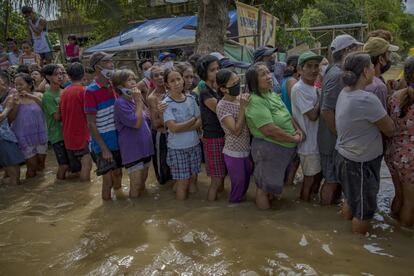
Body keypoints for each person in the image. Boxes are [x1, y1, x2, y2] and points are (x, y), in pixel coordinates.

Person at [335, 52, 395, 234]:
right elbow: (390, 129)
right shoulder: (366, 99)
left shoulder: (345, 92)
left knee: (351, 199)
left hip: (346, 156)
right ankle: (357, 247)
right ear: (365, 72)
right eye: (370, 66)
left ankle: (345, 238)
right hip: (360, 163)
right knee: (363, 211)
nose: (373, 69)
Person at [245, 62, 304, 209]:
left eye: (268, 72)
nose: (269, 76)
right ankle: (264, 221)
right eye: (263, 74)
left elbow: (286, 114)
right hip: (269, 148)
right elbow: (269, 130)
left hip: (282, 147)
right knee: (264, 189)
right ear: (254, 81)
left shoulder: (271, 94)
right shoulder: (255, 101)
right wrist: (293, 138)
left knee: (270, 187)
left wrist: (298, 129)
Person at [317, 34, 362, 205]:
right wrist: (339, 136)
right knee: (331, 179)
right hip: (331, 140)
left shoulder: (334, 71)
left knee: (335, 179)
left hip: (332, 138)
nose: (358, 52)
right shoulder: (337, 74)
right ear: (347, 51)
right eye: (355, 49)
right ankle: (323, 216)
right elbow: (327, 110)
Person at [85, 51, 123, 200]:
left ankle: (119, 206)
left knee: (119, 174)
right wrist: (104, 148)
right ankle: (107, 212)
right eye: (107, 62)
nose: (111, 64)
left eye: (111, 61)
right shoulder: (90, 91)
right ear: (97, 67)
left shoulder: (114, 86)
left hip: (118, 140)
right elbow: (91, 123)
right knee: (107, 181)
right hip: (102, 144)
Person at [113, 69, 154, 198]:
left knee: (143, 182)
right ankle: (134, 211)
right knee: (136, 184)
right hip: (132, 149)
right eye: (129, 80)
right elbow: (136, 123)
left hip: (145, 147)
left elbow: (147, 118)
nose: (133, 83)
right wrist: (139, 102)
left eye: (133, 80)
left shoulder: (136, 99)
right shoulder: (120, 103)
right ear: (120, 86)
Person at [162, 68, 202, 200]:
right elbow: (173, 128)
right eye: (172, 81)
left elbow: (200, 121)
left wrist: (182, 126)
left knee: (194, 180)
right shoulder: (165, 103)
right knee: (183, 182)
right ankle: (180, 212)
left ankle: (191, 214)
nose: (177, 83)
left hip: (194, 145)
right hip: (177, 148)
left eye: (178, 79)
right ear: (167, 84)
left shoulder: (190, 98)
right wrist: (191, 121)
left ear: (183, 80)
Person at [385, 57, 414, 227]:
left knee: (400, 195)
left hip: (393, 153)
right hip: (410, 158)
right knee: (411, 202)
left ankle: (392, 223)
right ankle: (403, 236)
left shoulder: (394, 97)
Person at [216, 69, 252, 203]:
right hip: (233, 152)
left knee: (246, 184)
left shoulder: (240, 99)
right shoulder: (222, 106)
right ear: (224, 89)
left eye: (238, 82)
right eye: (234, 83)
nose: (238, 85)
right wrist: (243, 108)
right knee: (238, 187)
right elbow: (236, 130)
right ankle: (233, 215)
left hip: (246, 150)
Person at [291, 51, 323, 201]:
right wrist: (321, 98)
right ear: (299, 70)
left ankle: (309, 207)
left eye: (316, 66)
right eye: (309, 66)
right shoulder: (299, 89)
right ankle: (303, 205)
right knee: (309, 180)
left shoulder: (311, 87)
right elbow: (313, 115)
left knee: (316, 179)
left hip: (315, 142)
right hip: (309, 145)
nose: (313, 70)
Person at [197, 54, 226, 201]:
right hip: (213, 138)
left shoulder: (216, 90)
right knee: (216, 180)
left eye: (218, 68)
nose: (217, 72)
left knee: (221, 177)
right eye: (212, 70)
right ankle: (211, 208)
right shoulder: (205, 93)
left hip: (221, 136)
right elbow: (221, 110)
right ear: (205, 74)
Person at [8, 73, 47, 178]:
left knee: (41, 164)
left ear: (30, 85)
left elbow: (46, 110)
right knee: (31, 166)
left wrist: (31, 96)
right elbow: (10, 119)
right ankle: (30, 186)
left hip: (40, 135)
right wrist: (16, 104)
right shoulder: (12, 99)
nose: (18, 87)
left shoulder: (39, 96)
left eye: (21, 84)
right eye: (16, 85)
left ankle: (38, 190)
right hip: (23, 137)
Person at [60, 62, 92, 181]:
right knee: (87, 165)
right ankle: (85, 194)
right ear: (83, 74)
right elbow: (90, 114)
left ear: (68, 75)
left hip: (68, 135)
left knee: (78, 167)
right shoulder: (84, 91)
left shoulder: (64, 92)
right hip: (81, 134)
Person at [41, 64, 70, 180]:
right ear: (48, 77)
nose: (60, 76)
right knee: (64, 165)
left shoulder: (64, 91)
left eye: (61, 73)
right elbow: (57, 117)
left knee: (72, 165)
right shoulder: (47, 96)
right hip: (57, 135)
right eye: (56, 74)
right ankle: (58, 184)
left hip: (67, 133)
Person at [147, 65, 172, 185]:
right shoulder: (152, 98)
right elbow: (155, 123)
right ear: (151, 80)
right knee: (162, 167)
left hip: (173, 133)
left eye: (162, 74)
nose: (160, 77)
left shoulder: (172, 92)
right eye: (156, 76)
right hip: (160, 136)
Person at [363, 37, 399, 108]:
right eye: (388, 54)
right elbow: (382, 117)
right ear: (381, 59)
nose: (390, 59)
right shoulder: (379, 87)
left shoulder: (360, 79)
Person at [0, 96, 25, 185]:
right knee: (15, 176)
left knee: (11, 174)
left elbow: (8, 120)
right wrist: (8, 108)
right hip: (3, 139)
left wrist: (14, 106)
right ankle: (16, 193)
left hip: (7, 138)